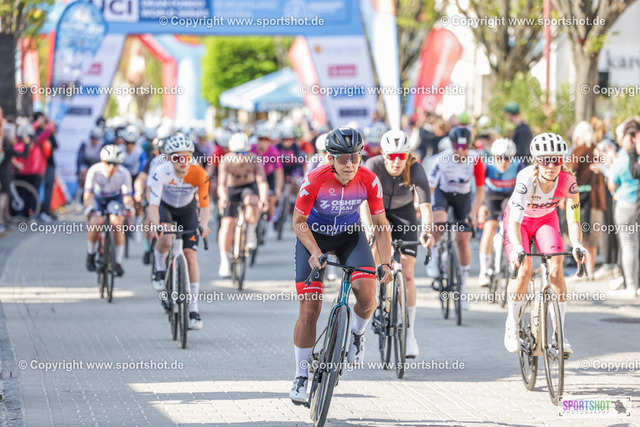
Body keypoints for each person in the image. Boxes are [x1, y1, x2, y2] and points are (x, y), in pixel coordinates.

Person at [289, 127, 393, 405]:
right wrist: (314, 251)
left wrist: (385, 262)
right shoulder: (314, 180)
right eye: (343, 158)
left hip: (350, 236)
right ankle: (300, 375)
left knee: (368, 295)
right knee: (309, 310)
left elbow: (381, 225)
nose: (350, 164)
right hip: (314, 236)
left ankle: (357, 334)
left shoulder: (369, 180)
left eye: (355, 157)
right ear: (330, 159)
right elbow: (298, 222)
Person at [503, 133, 587, 356]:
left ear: (562, 160)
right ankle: (512, 324)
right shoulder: (526, 179)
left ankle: (559, 335)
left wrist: (577, 244)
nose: (550, 166)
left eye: (556, 160)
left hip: (546, 221)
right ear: (537, 161)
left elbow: (574, 219)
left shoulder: (569, 182)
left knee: (556, 270)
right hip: (519, 223)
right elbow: (514, 221)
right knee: (524, 270)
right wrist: (518, 248)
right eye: (545, 160)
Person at [362, 130, 434, 358]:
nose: (396, 161)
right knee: (376, 248)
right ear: (383, 154)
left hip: (404, 214)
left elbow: (425, 206)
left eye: (401, 156)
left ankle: (410, 334)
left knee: (408, 273)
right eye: (391, 156)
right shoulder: (372, 165)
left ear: (407, 155)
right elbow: (363, 203)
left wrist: (427, 230)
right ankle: (376, 294)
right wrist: (369, 228)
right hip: (378, 212)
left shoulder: (415, 168)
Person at [148, 133, 211, 330]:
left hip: (187, 210)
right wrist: (156, 224)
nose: (183, 162)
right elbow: (153, 205)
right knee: (166, 236)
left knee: (190, 256)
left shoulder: (199, 173)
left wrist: (204, 225)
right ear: (169, 158)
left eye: (186, 157)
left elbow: (205, 207)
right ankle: (160, 271)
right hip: (165, 207)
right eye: (177, 158)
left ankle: (193, 310)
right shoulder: (161, 172)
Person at [427, 126, 485, 309]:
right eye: (456, 147)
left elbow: (480, 191)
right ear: (452, 146)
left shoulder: (475, 159)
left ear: (469, 146)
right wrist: (427, 213)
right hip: (443, 193)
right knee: (439, 221)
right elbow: (430, 188)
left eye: (464, 147)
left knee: (463, 240)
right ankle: (435, 257)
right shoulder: (442, 158)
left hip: (463, 197)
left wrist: (473, 214)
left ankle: (462, 288)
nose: (460, 151)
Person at [217, 132, 269, 278]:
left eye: (244, 152)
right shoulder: (225, 161)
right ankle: (224, 261)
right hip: (231, 189)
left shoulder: (254, 159)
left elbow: (262, 181)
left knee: (253, 202)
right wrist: (223, 198)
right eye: (237, 153)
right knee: (227, 224)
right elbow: (221, 184)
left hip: (248, 186)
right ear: (231, 151)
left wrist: (263, 198)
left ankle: (251, 231)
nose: (240, 156)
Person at [478, 138, 525, 286]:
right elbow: (478, 189)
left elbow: (525, 190)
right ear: (494, 157)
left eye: (507, 158)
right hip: (490, 198)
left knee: (510, 228)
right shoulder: (487, 166)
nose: (503, 162)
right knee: (490, 227)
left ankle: (512, 262)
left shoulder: (518, 166)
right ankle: (484, 271)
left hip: (509, 198)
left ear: (512, 157)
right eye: (499, 158)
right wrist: (481, 206)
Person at [84, 145, 133, 277]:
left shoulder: (124, 173)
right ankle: (91, 254)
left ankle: (118, 262)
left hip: (114, 198)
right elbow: (88, 195)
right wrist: (89, 208)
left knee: (117, 223)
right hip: (98, 198)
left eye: (115, 164)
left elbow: (127, 196)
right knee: (96, 222)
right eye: (108, 163)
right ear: (102, 161)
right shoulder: (94, 170)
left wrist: (129, 207)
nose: (111, 167)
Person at [566, 121, 606, 279]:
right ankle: (590, 270)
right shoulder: (598, 152)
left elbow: (569, 174)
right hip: (596, 199)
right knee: (593, 237)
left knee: (578, 233)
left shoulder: (578, 151)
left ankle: (581, 270)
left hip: (578, 199)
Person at [33, 112, 58, 222]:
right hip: (38, 165)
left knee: (48, 189)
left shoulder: (48, 132)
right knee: (38, 189)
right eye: (42, 119)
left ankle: (45, 211)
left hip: (49, 164)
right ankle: (36, 211)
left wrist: (49, 150)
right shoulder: (35, 130)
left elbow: (55, 146)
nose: (44, 121)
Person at [77, 127, 104, 198]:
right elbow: (80, 158)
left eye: (96, 139)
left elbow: (103, 160)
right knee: (83, 174)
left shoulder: (102, 144)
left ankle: (98, 194)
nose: (94, 141)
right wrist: (80, 169)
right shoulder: (85, 143)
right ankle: (82, 192)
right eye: (93, 138)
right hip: (86, 164)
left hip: (97, 165)